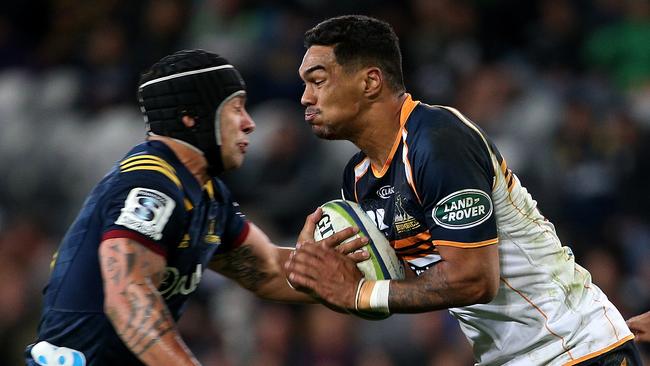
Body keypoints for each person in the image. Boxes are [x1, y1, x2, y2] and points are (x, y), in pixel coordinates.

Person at [285, 15, 642, 365]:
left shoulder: (438, 140)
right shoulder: (359, 179)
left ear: (370, 81)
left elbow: (474, 278)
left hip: (575, 347)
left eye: (317, 81)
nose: (305, 97)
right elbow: (396, 284)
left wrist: (361, 293)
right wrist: (313, 267)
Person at [25, 49, 367, 366]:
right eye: (235, 108)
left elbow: (266, 271)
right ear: (191, 117)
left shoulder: (207, 194)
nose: (249, 123)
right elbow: (128, 298)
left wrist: (359, 280)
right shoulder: (150, 185)